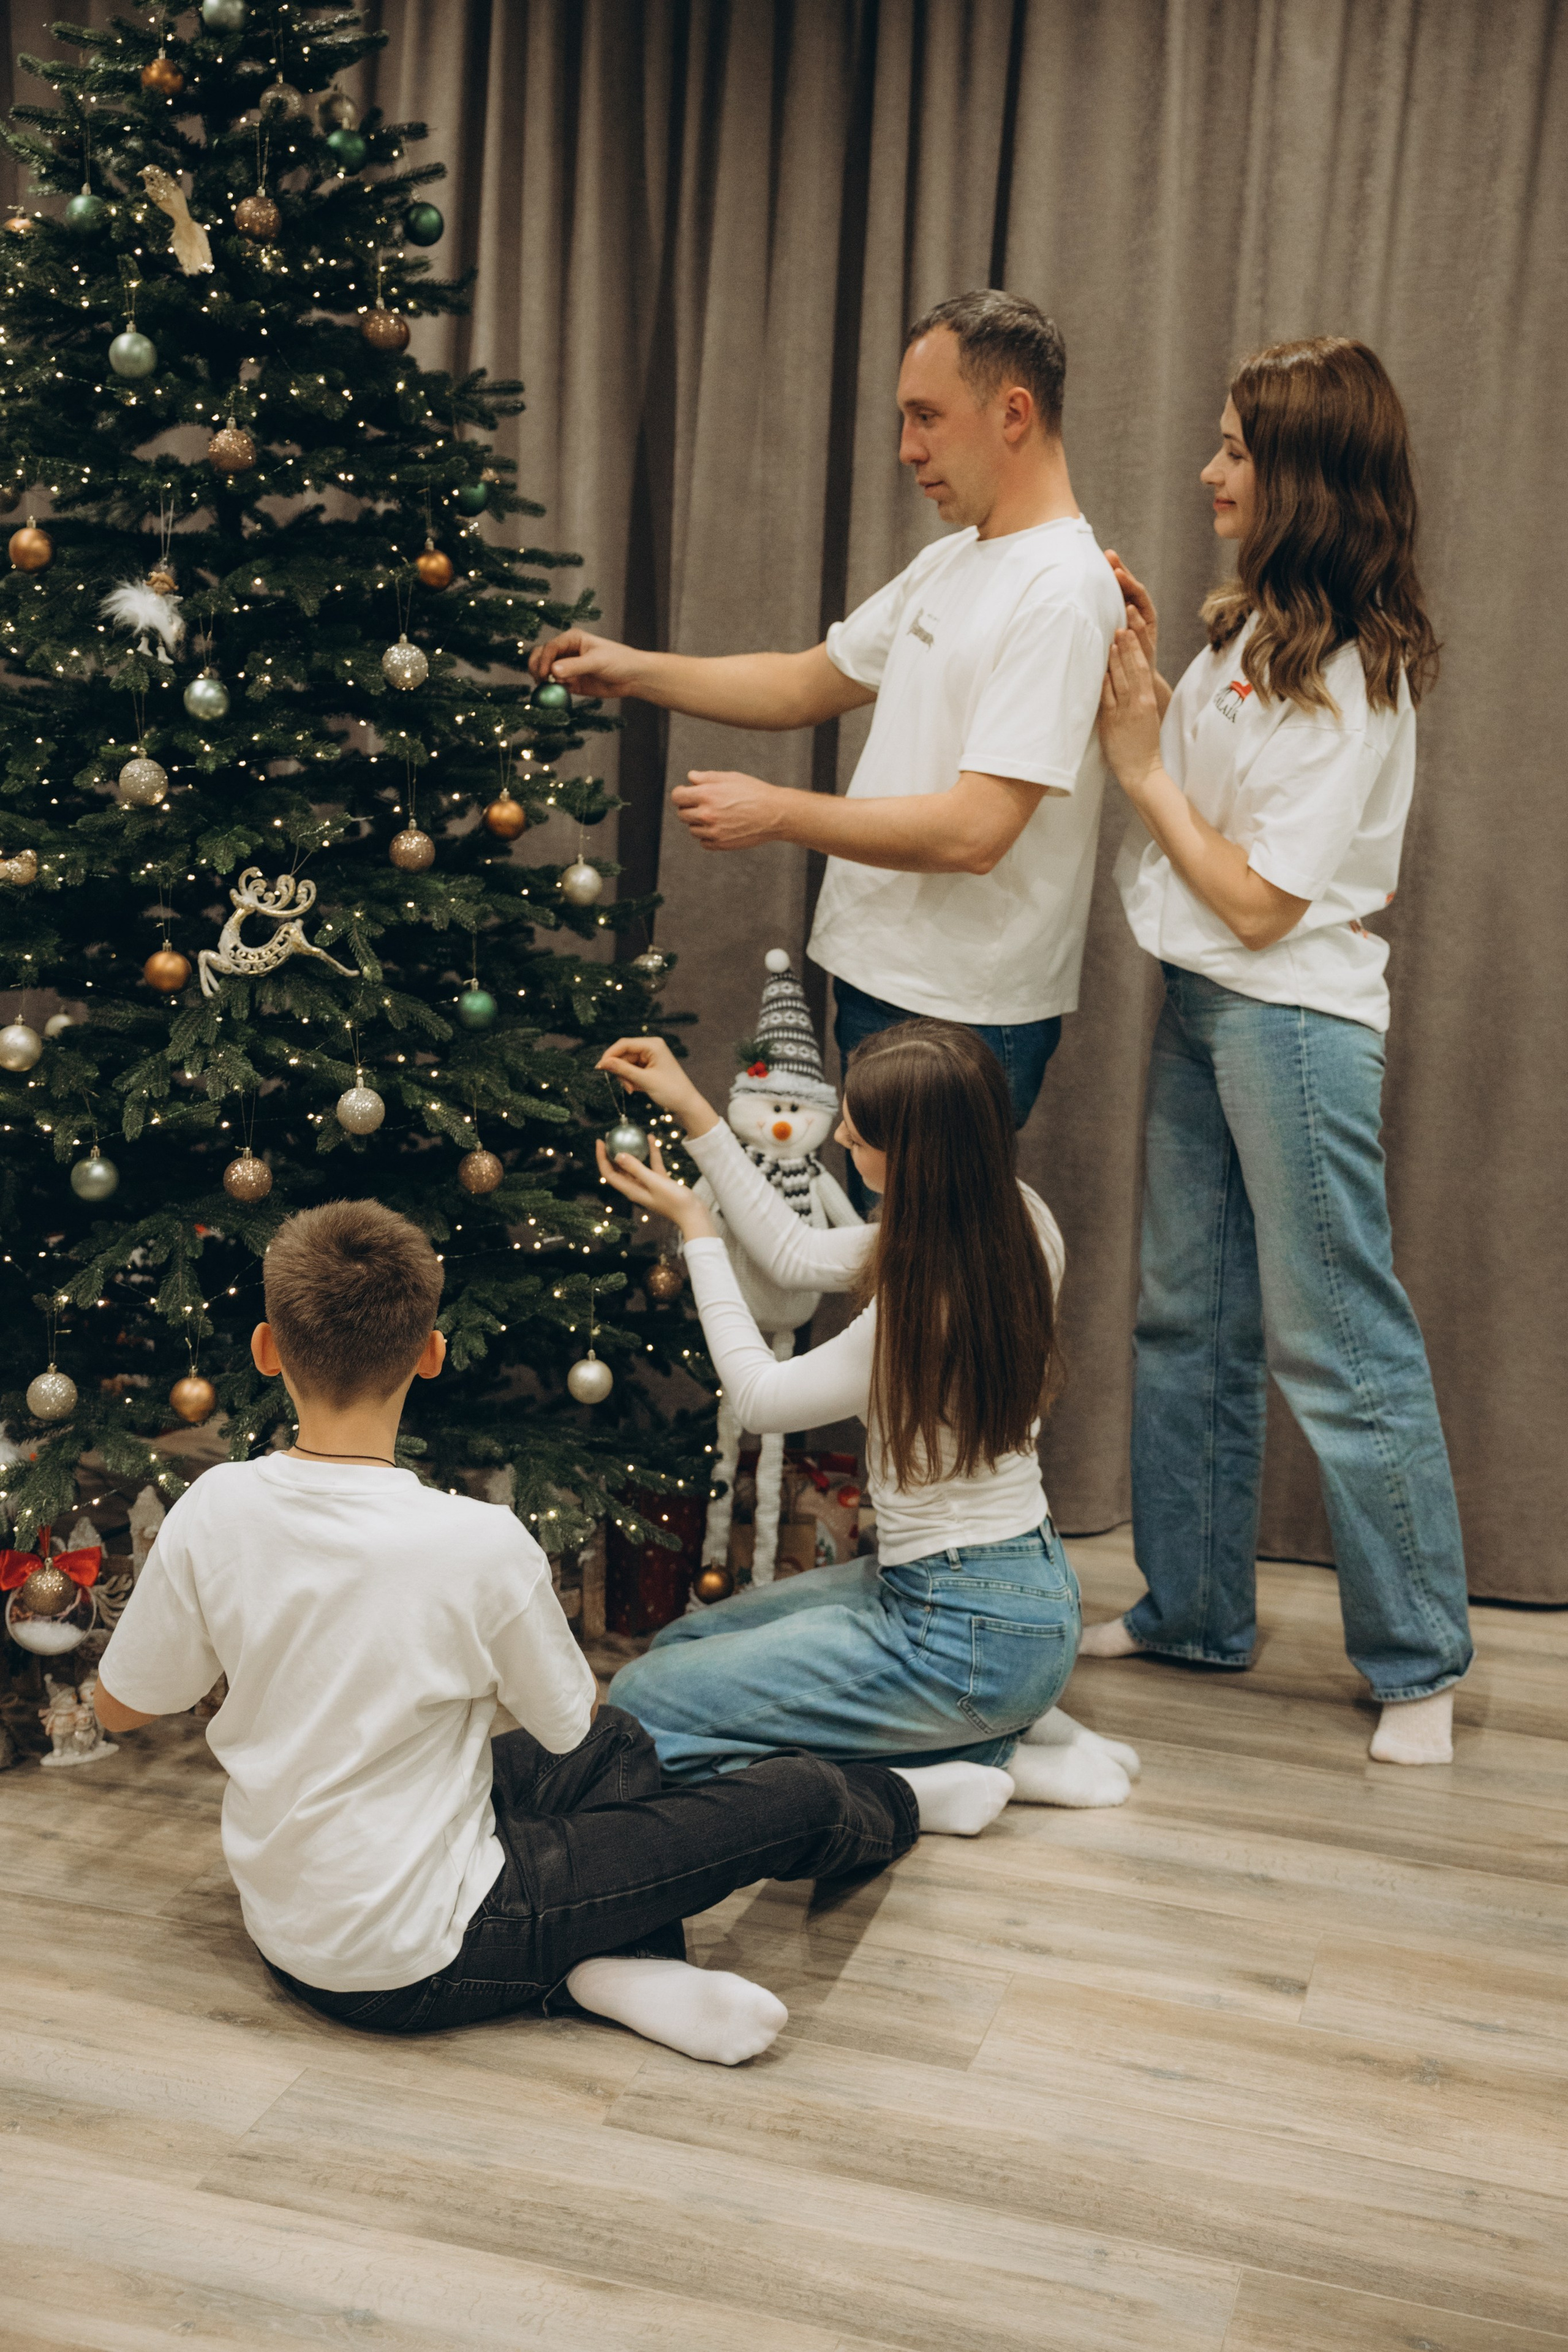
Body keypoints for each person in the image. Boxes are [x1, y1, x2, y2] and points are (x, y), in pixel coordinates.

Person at [90, 1196, 1001, 2067]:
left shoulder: (214, 1506)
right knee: (797, 1791)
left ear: (263, 1348)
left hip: (287, 1928)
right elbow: (566, 1719)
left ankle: (621, 1975)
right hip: (425, 1959)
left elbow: (122, 1709)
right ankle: (903, 1803)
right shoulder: (478, 1541)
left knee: (615, 1751)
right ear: (434, 1354)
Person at [1084, 336, 1472, 1766]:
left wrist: (1135, 765)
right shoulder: (1246, 634)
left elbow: (1254, 894)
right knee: (1184, 1315)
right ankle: (1190, 1608)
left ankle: (1417, 1658)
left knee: (1332, 1335)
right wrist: (1141, 664)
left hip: (1291, 1020)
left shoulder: (1355, 673)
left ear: (1299, 478)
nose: (1207, 471)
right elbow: (1198, 813)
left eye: (1234, 451)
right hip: (1200, 1004)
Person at [530, 288, 1125, 1166]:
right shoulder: (954, 559)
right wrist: (633, 669)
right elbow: (807, 681)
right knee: (888, 1275)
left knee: (928, 1291)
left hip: (962, 1010)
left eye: (926, 417)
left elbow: (977, 831)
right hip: (885, 983)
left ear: (1013, 413)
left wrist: (776, 813)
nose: (906, 449)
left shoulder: (1063, 592)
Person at [593, 1025, 1142, 1807]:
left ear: (914, 1154)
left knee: (641, 1703)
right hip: (1018, 1597)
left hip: (959, 1630)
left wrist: (699, 1235)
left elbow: (758, 1397)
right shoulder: (1015, 1219)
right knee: (687, 1643)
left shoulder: (923, 1307)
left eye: (858, 1129)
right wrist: (690, 1105)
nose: (841, 1134)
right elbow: (792, 1254)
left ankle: (945, 1774)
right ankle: (1009, 1729)